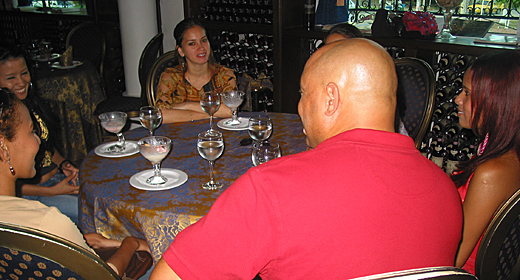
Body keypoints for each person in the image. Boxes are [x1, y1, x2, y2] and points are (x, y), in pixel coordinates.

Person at [150, 39, 463, 279]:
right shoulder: (446, 191)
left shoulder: (272, 190)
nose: (299, 107)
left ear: (330, 98)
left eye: (302, 93)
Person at [0, 87, 152, 279]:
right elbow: (104, 276)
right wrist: (131, 243)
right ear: (3, 148)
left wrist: (78, 243)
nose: (38, 141)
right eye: (31, 132)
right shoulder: (45, 221)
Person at [453, 51, 520, 274]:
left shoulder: (492, 172)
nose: (457, 99)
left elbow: (453, 258)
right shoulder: (505, 152)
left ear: (497, 101)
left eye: (468, 93)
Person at [0, 43, 79, 224]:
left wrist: (64, 165)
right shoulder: (5, 123)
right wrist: (51, 191)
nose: (21, 82)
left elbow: (47, 147)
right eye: (11, 77)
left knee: (102, 191)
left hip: (56, 178)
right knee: (88, 211)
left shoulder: (29, 105)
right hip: (36, 193)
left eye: (24, 73)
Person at [322, 23, 408, 137]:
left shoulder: (371, 84)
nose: (332, 55)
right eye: (328, 49)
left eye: (338, 49)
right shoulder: (321, 79)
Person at [155, 18, 234, 123]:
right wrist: (210, 114)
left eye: (204, 40)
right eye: (192, 43)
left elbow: (230, 111)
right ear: (181, 51)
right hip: (180, 136)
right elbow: (161, 115)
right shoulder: (170, 77)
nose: (201, 47)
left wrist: (187, 105)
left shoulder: (224, 74)